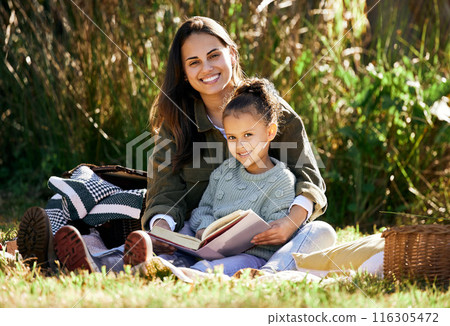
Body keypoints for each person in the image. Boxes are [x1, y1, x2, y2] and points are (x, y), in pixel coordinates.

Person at [18, 16, 336, 273]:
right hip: (203, 236)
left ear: (232, 54)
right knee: (158, 236)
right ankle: (101, 260)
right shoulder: (177, 123)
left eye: (214, 55)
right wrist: (163, 229)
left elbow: (309, 177)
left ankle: (262, 273)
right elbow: (165, 191)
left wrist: (289, 222)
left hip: (272, 236)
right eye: (193, 62)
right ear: (184, 72)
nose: (207, 68)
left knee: (320, 232)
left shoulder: (271, 111)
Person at [186, 77, 296, 276]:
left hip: (252, 257)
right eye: (232, 137)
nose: (240, 145)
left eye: (248, 135)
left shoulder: (281, 181)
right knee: (184, 230)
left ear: (270, 132)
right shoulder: (223, 173)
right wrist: (204, 230)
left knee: (226, 265)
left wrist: (240, 239)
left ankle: (194, 272)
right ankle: (159, 258)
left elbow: (275, 233)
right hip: (210, 247)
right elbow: (203, 210)